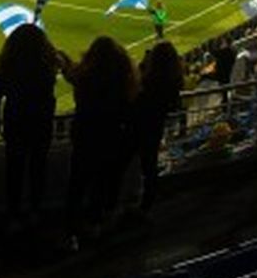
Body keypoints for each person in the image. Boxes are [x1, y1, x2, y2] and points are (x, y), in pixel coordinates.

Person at [59, 36, 133, 248]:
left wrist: (64, 59)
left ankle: (70, 229)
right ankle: (95, 224)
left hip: (85, 134)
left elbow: (71, 74)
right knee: (101, 181)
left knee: (77, 182)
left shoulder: (86, 77)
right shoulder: (122, 77)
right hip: (111, 135)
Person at [0, 23, 60, 231]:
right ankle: (34, 211)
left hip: (16, 121)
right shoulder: (47, 67)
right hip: (41, 122)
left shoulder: (8, 67)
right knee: (38, 168)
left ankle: (14, 215)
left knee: (15, 170)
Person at [128, 41, 184, 214]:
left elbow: (136, 94)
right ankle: (146, 203)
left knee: (126, 162)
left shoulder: (150, 80)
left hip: (137, 126)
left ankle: (125, 201)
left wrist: (142, 67)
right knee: (149, 165)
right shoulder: (173, 80)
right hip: (155, 126)